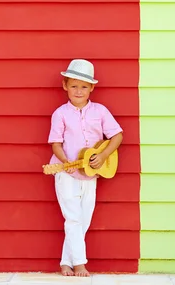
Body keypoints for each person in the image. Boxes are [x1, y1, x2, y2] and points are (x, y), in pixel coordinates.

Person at [47, 59, 123, 277]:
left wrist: (103, 155)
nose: (78, 91)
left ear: (92, 88)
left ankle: (65, 262)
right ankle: (79, 263)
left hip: (91, 174)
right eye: (73, 85)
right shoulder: (60, 113)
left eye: (83, 86)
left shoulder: (100, 111)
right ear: (65, 86)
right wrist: (64, 162)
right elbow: (56, 143)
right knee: (72, 217)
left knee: (84, 218)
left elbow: (117, 135)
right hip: (66, 173)